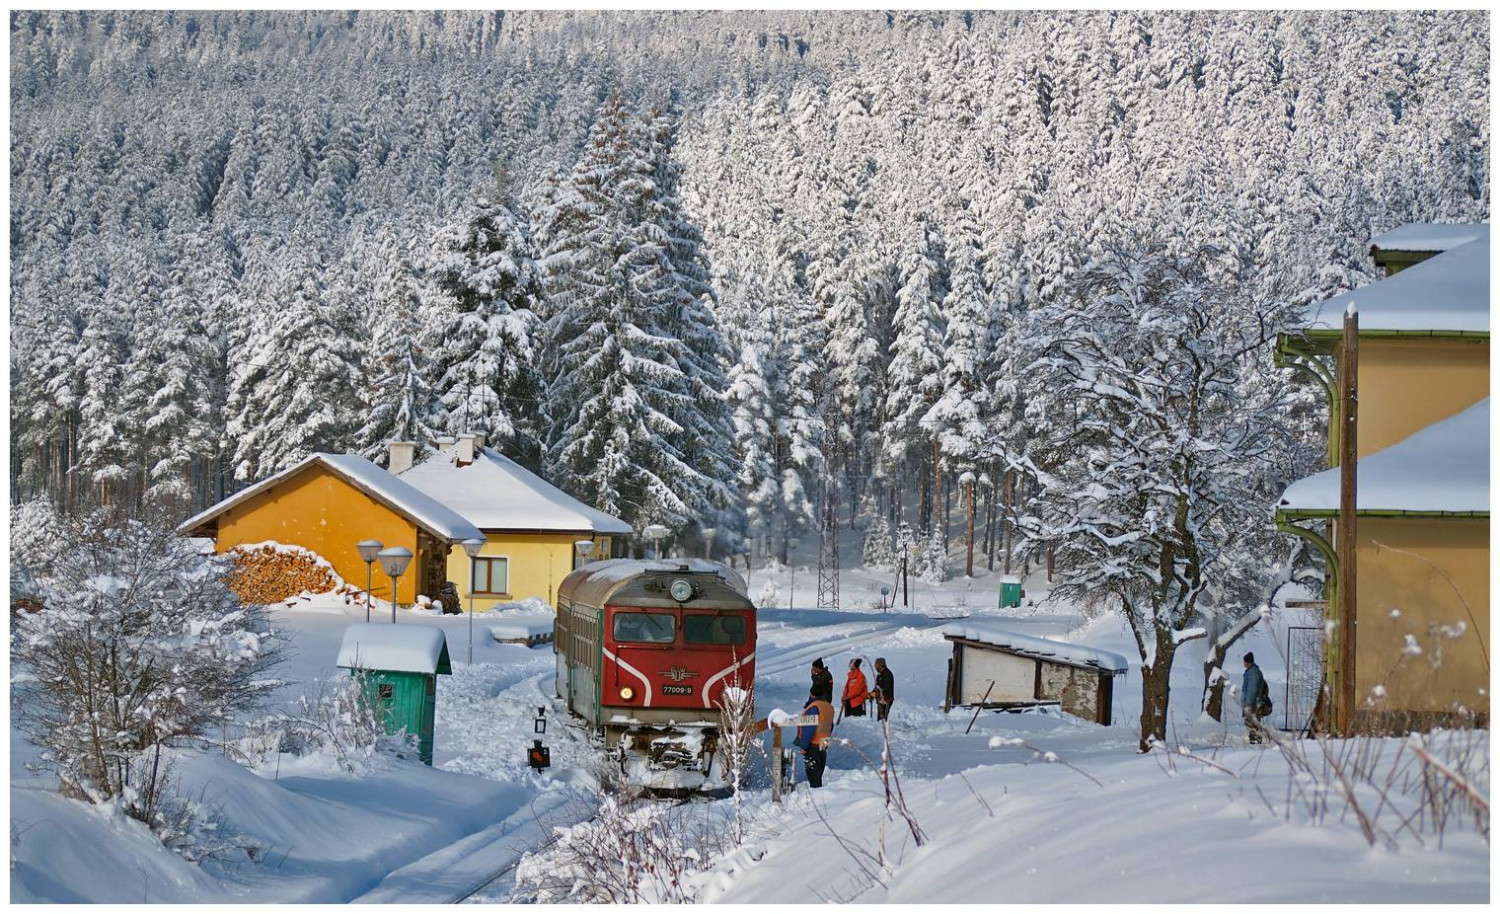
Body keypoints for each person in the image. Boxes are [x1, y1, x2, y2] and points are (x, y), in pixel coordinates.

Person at [792, 691, 836, 788]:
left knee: (814, 780)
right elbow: (830, 726)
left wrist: (803, 746)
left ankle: (818, 799)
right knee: (818, 776)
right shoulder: (828, 707)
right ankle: (820, 797)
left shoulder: (814, 708)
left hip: (812, 747)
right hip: (822, 746)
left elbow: (808, 729)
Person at [1242, 652, 1269, 744]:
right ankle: (1254, 739)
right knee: (1252, 722)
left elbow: (1251, 689)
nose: (1243, 663)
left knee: (1253, 722)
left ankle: (1255, 741)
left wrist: (1248, 704)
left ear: (1247, 661)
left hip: (1253, 703)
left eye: (1244, 661)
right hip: (1253, 702)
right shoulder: (1252, 671)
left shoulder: (1252, 673)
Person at [872, 657, 895, 721]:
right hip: (880, 700)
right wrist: (871, 694)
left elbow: (886, 688)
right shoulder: (879, 675)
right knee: (880, 719)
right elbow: (877, 687)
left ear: (880, 665)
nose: (875, 666)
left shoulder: (887, 674)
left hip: (886, 700)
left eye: (876, 665)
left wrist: (876, 694)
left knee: (882, 719)